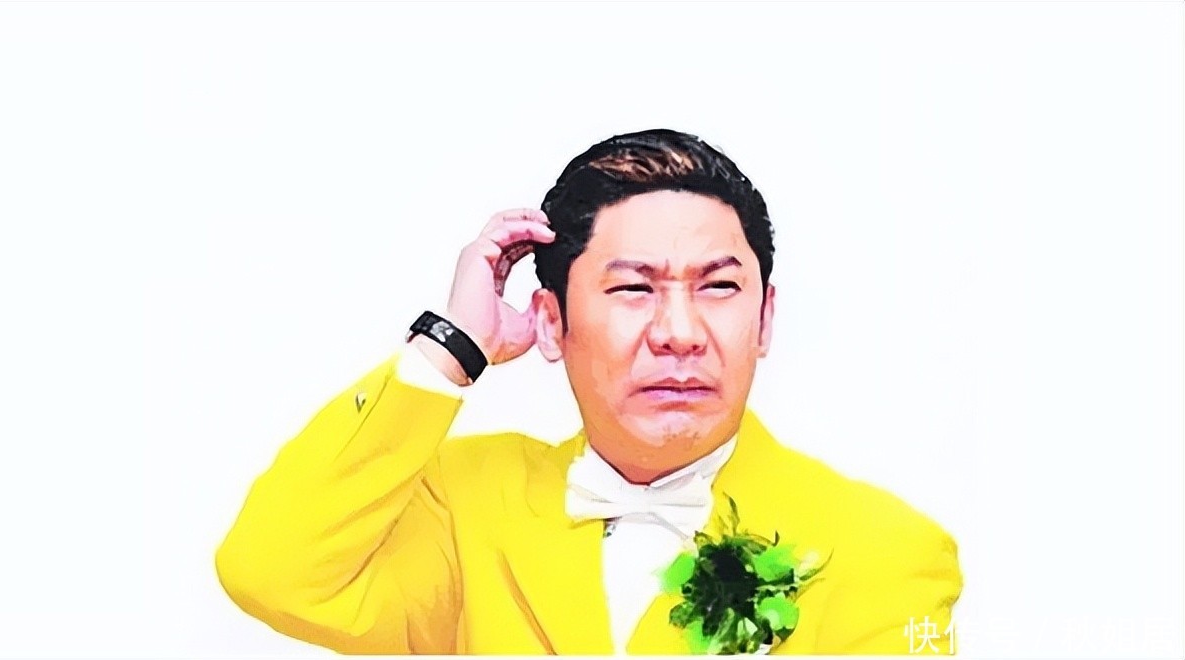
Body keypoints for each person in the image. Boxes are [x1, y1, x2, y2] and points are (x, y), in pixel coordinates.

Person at [215, 129, 963, 655]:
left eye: (718, 288)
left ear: (763, 319)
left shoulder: (885, 549)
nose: (679, 332)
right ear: (551, 322)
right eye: (634, 288)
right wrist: (452, 346)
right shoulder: (467, 505)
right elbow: (273, 570)